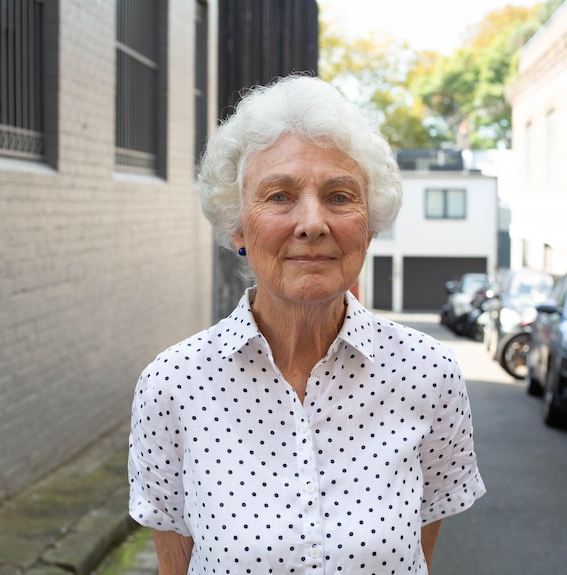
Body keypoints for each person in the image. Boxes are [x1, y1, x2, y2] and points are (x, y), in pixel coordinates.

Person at [128, 74, 485, 574]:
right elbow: (175, 566)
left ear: (370, 223)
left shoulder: (429, 374)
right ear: (237, 226)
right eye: (279, 196)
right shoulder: (172, 386)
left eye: (340, 196)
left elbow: (415, 558)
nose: (313, 222)